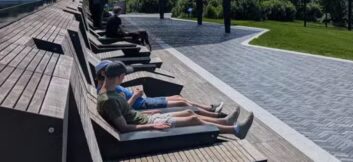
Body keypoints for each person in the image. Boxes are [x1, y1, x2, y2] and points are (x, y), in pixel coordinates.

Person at [97, 61, 253, 138]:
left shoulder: (111, 92)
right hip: (149, 123)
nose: (124, 77)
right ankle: (236, 130)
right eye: (124, 75)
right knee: (193, 119)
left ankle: (225, 121)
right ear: (119, 76)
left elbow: (127, 112)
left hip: (147, 117)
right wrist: (153, 125)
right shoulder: (109, 100)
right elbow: (124, 128)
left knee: (188, 112)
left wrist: (150, 112)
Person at [94, 61, 225, 114]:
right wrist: (135, 96)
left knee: (178, 97)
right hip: (142, 105)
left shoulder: (109, 85)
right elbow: (123, 109)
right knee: (182, 103)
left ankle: (210, 108)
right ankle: (213, 113)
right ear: (104, 73)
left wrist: (134, 94)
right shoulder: (105, 91)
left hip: (142, 100)